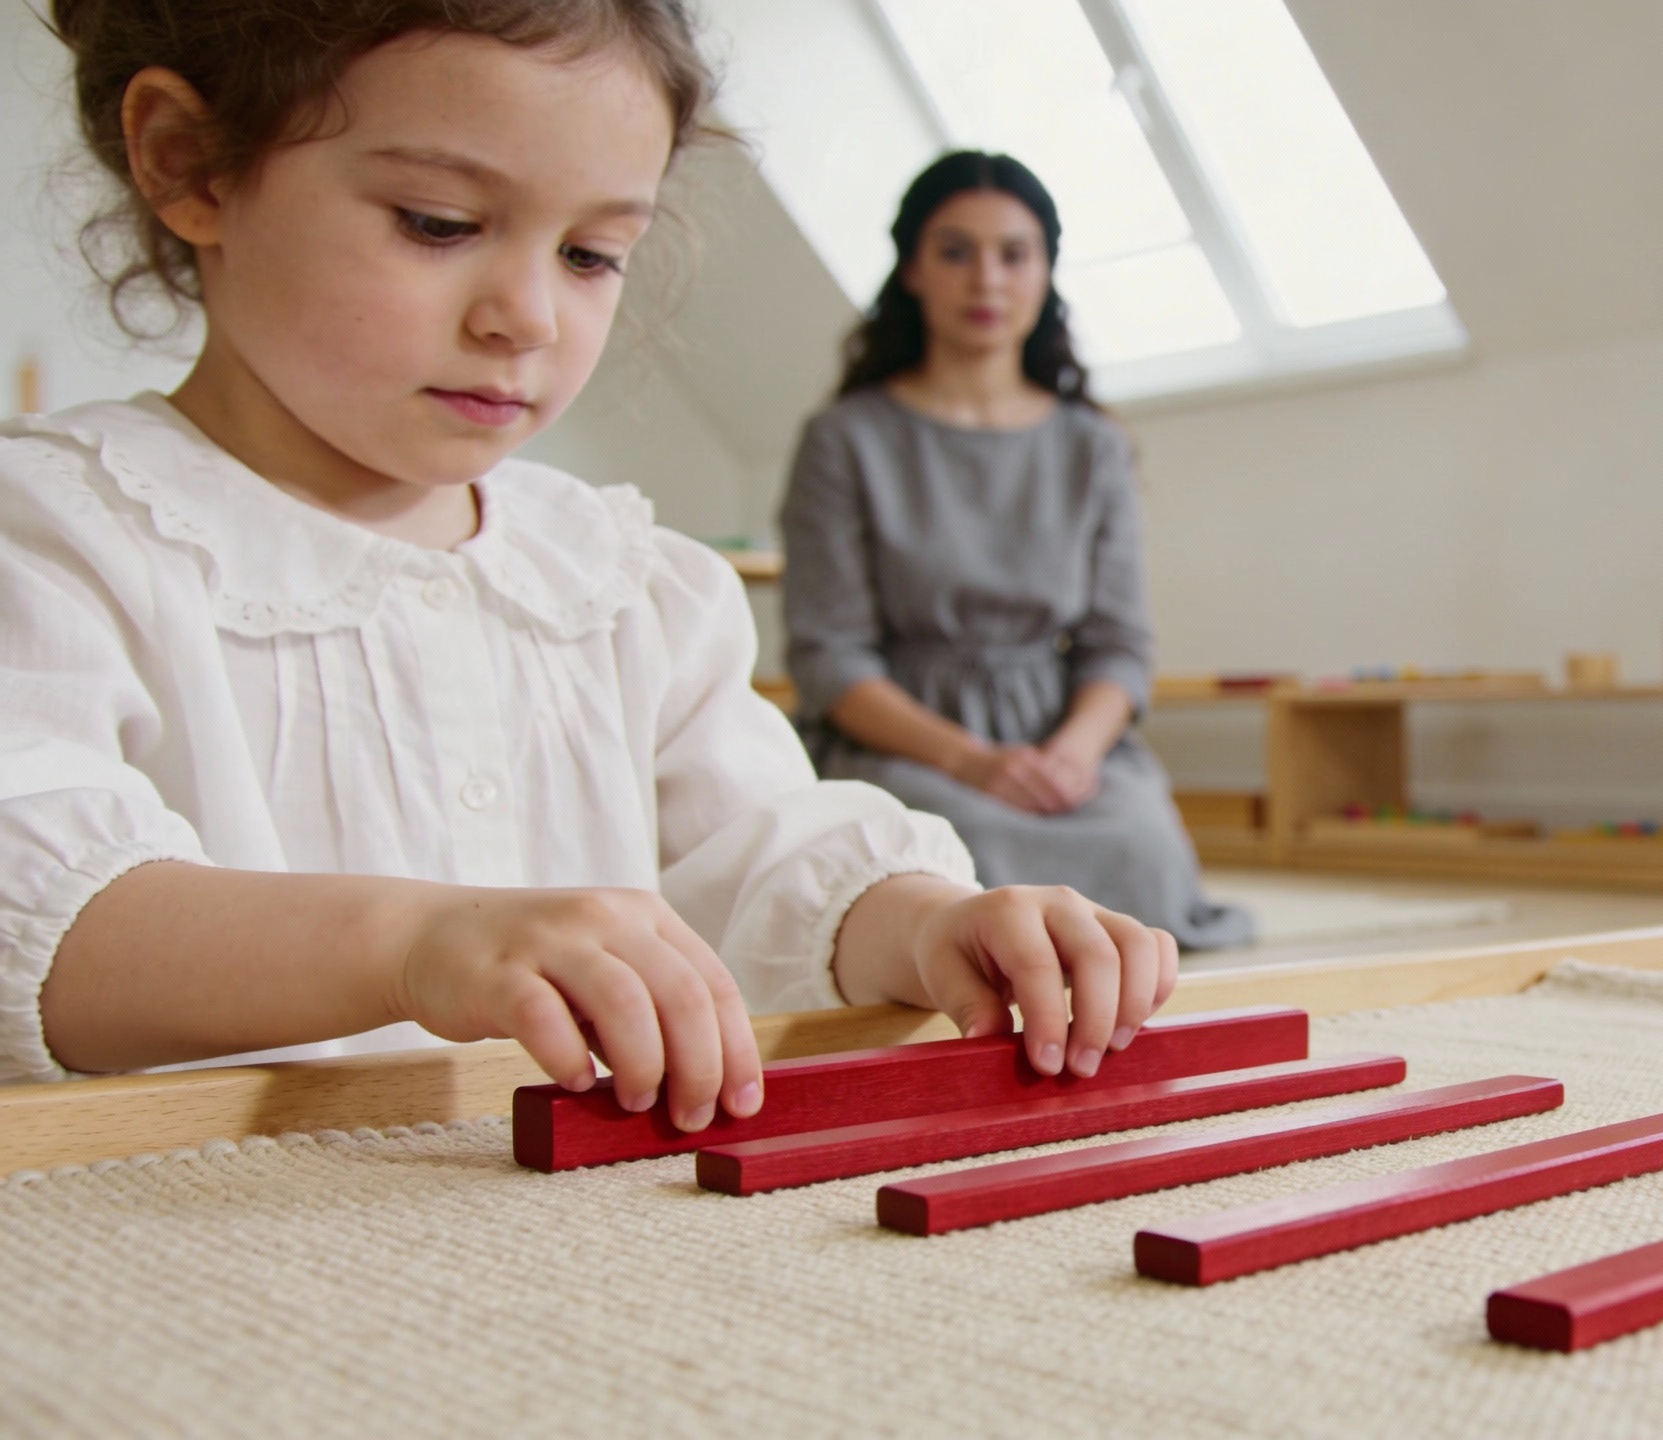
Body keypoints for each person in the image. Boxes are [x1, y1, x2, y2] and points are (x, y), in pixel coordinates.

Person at [0, 1, 1179, 1121]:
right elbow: (46, 912)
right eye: (438, 223)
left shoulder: (624, 581)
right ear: (189, 162)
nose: (527, 316)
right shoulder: (56, 530)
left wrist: (925, 922)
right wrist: (412, 945)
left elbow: (764, 859)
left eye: (590, 253)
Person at [779, 152, 1252, 951]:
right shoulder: (844, 439)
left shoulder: (1092, 445)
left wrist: (1071, 755)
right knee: (953, 860)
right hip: (905, 741)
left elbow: (1119, 645)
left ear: (1046, 272)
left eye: (1014, 254)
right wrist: (972, 762)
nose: (987, 280)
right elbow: (831, 657)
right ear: (913, 270)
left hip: (1058, 735)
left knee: (1141, 848)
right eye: (955, 252)